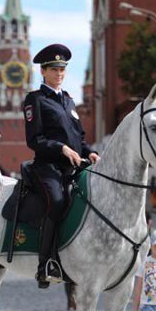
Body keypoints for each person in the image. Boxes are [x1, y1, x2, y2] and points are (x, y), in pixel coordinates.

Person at [23, 43, 99, 288]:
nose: (59, 74)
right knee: (56, 202)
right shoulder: (34, 100)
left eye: (62, 70)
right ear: (43, 72)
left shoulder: (68, 101)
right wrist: (61, 149)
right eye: (54, 69)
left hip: (73, 168)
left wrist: (91, 153)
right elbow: (34, 140)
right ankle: (45, 264)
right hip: (48, 168)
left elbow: (80, 139)